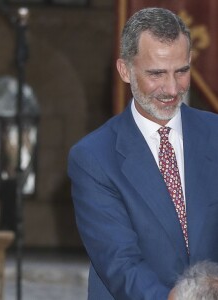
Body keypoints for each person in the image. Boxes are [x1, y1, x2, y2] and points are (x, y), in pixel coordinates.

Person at [68, 7, 218, 300]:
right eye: (156, 73)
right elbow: (119, 262)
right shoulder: (93, 158)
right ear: (125, 70)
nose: (172, 88)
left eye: (182, 71)